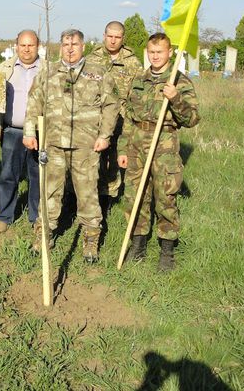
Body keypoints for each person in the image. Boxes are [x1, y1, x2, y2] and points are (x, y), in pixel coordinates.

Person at [23, 29, 119, 263]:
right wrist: (29, 132)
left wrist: (105, 135)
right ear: (60, 47)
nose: (70, 48)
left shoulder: (98, 73)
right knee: (50, 192)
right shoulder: (48, 72)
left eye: (74, 44)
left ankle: (90, 237)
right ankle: (44, 234)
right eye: (65, 44)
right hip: (53, 143)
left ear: (83, 46)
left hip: (86, 146)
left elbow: (111, 105)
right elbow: (34, 103)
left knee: (87, 194)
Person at [117, 33, 199, 271]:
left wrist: (175, 99)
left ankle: (167, 250)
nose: (155, 56)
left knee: (165, 196)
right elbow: (129, 118)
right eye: (151, 52)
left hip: (164, 142)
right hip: (136, 143)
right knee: (136, 195)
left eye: (159, 52)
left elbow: (192, 119)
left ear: (169, 52)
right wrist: (123, 149)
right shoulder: (138, 79)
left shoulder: (179, 82)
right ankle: (138, 244)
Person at [0, 30, 41, 233]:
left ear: (37, 46)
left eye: (30, 45)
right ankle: (4, 216)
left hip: (41, 132)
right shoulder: (4, 69)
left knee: (38, 175)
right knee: (8, 175)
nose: (26, 49)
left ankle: (37, 217)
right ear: (16, 46)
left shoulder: (49, 70)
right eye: (23, 45)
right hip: (11, 130)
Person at [86, 21, 142, 203]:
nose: (112, 41)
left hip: (121, 119)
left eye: (117, 37)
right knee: (91, 159)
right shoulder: (92, 59)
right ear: (104, 36)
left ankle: (108, 199)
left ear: (123, 39)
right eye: (109, 36)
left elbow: (138, 94)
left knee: (113, 160)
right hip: (94, 118)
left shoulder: (132, 62)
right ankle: (85, 197)